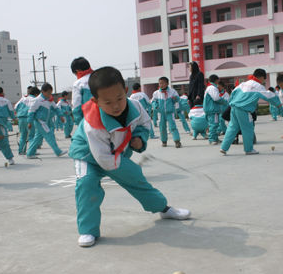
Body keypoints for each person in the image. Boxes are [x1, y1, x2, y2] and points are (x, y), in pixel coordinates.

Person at [68, 66, 191, 247]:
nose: (116, 105)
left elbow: (144, 124)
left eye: (119, 98)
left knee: (137, 179)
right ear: (95, 101)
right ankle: (88, 230)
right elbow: (104, 160)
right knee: (86, 185)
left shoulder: (135, 106)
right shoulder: (92, 124)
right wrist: (130, 168)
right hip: (87, 156)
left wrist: (140, 139)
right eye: (108, 103)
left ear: (125, 91)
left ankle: (163, 209)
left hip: (115, 154)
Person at [220, 68, 280, 155]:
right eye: (264, 79)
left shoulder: (243, 83)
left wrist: (232, 103)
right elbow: (269, 96)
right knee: (248, 129)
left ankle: (224, 147)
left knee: (232, 128)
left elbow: (233, 93)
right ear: (262, 77)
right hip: (244, 110)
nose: (263, 81)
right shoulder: (258, 86)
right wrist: (279, 105)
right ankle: (248, 149)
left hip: (233, 107)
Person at [26, 83, 67, 158]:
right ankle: (58, 151)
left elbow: (56, 108)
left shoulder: (49, 100)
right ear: (43, 91)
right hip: (40, 121)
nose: (49, 94)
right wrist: (29, 122)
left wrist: (61, 116)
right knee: (49, 135)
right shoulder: (37, 100)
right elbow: (31, 111)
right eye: (48, 93)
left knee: (37, 138)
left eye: (50, 93)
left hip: (44, 121)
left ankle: (30, 153)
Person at [151, 77, 182, 148]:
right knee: (162, 127)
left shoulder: (172, 91)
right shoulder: (156, 93)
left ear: (167, 83)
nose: (161, 85)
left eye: (162, 83)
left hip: (170, 113)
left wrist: (175, 99)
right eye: (159, 83)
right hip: (161, 113)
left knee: (172, 127)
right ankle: (164, 141)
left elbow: (178, 99)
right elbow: (153, 101)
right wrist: (155, 106)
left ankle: (177, 141)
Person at [71, 57, 93, 126]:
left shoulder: (78, 84)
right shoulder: (101, 77)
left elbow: (76, 106)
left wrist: (79, 123)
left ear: (77, 71)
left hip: (90, 121)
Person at [203, 74, 223, 145]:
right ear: (216, 80)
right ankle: (212, 139)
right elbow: (216, 98)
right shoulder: (212, 88)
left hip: (211, 109)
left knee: (214, 124)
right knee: (213, 124)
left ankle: (215, 138)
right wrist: (223, 101)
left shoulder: (210, 87)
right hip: (213, 110)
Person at [14, 86, 34, 155]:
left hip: (21, 118)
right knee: (31, 135)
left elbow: (15, 107)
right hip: (28, 118)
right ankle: (31, 151)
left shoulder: (22, 99)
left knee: (23, 135)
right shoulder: (34, 99)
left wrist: (19, 113)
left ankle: (21, 151)